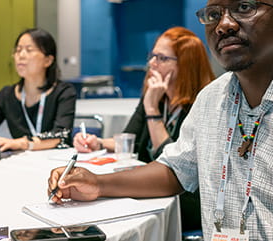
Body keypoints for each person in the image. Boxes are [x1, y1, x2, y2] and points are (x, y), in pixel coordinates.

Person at [47, 0, 273, 240]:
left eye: (244, 8)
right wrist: (97, 183)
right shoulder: (212, 98)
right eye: (212, 15)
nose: (224, 25)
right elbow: (175, 171)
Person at [73, 26, 215, 231]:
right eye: (152, 56)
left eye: (162, 58)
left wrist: (151, 109)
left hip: (183, 198)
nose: (151, 63)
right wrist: (99, 142)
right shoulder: (156, 96)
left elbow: (174, 165)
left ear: (186, 65)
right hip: (151, 188)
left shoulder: (201, 104)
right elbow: (129, 138)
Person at [0, 28, 76, 152]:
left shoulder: (63, 92)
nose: (21, 55)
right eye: (18, 50)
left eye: (29, 50)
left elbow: (61, 135)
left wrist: (24, 144)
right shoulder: (6, 94)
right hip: (21, 161)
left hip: (56, 161)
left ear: (48, 60)